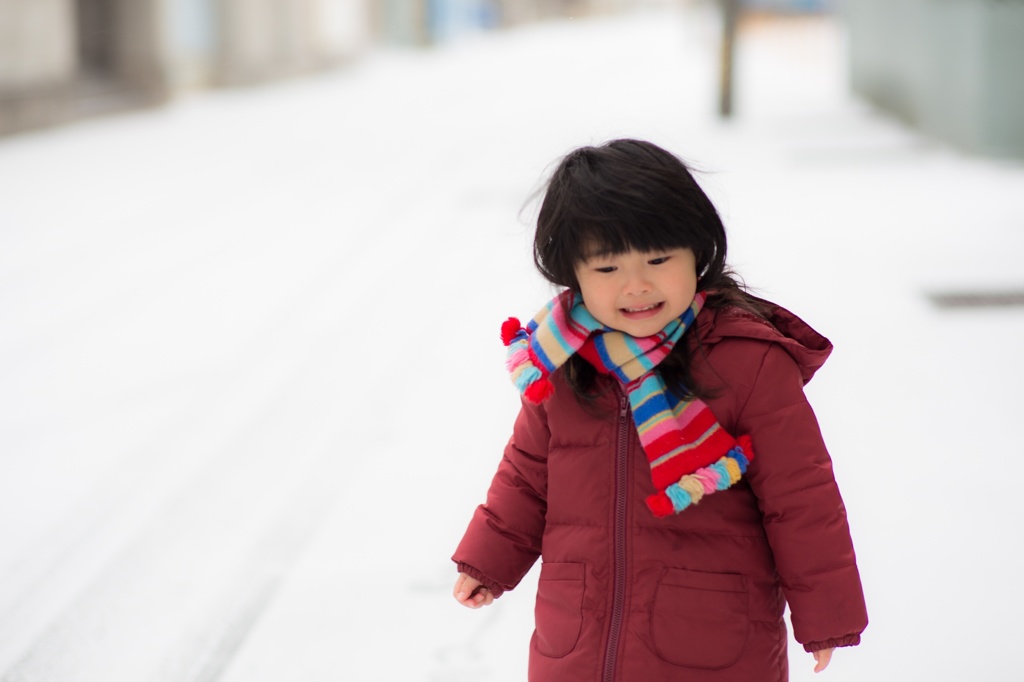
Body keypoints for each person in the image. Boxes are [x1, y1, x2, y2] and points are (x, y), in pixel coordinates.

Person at [451, 139, 867, 681]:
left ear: (698, 253)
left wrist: (825, 614)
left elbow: (801, 497)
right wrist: (490, 559)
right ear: (572, 272)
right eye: (606, 267)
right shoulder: (561, 358)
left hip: (712, 640)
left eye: (658, 259)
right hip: (579, 639)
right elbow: (529, 473)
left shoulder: (745, 361)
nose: (637, 284)